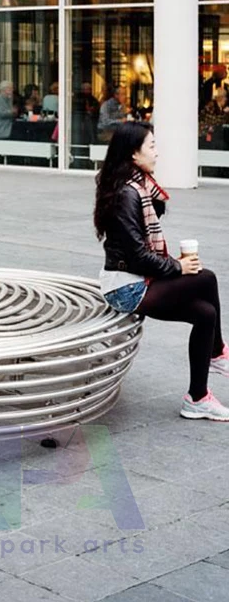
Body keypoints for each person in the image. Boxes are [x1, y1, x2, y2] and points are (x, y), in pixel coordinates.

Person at [94, 122, 229, 421]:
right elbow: (138, 256)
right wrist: (178, 266)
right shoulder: (128, 194)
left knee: (206, 313)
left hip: (136, 280)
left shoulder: (139, 187)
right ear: (133, 154)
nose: (157, 152)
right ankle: (218, 354)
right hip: (126, 288)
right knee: (205, 278)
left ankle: (197, 398)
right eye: (152, 146)